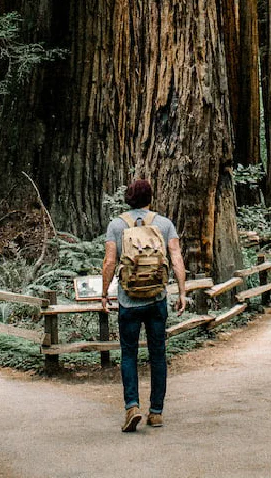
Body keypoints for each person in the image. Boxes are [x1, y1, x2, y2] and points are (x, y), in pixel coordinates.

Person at [101, 178, 187, 433]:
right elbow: (176, 257)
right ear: (151, 198)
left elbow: (109, 261)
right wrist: (182, 292)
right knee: (157, 355)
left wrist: (104, 293)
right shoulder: (164, 224)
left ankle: (132, 406)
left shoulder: (117, 225)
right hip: (157, 299)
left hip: (129, 301)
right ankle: (157, 412)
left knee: (128, 354)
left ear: (128, 198)